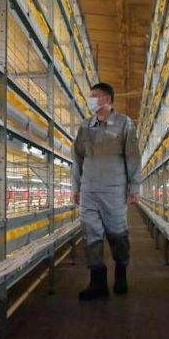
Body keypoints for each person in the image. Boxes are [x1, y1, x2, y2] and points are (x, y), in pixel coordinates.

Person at [72, 82, 141, 300]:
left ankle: (121, 274)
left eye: (95, 96)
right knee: (91, 235)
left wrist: (134, 186)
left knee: (117, 234)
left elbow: (132, 156)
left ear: (107, 99)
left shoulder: (124, 123)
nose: (91, 100)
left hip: (114, 190)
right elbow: (77, 158)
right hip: (89, 190)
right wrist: (76, 187)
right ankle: (97, 283)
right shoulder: (85, 126)